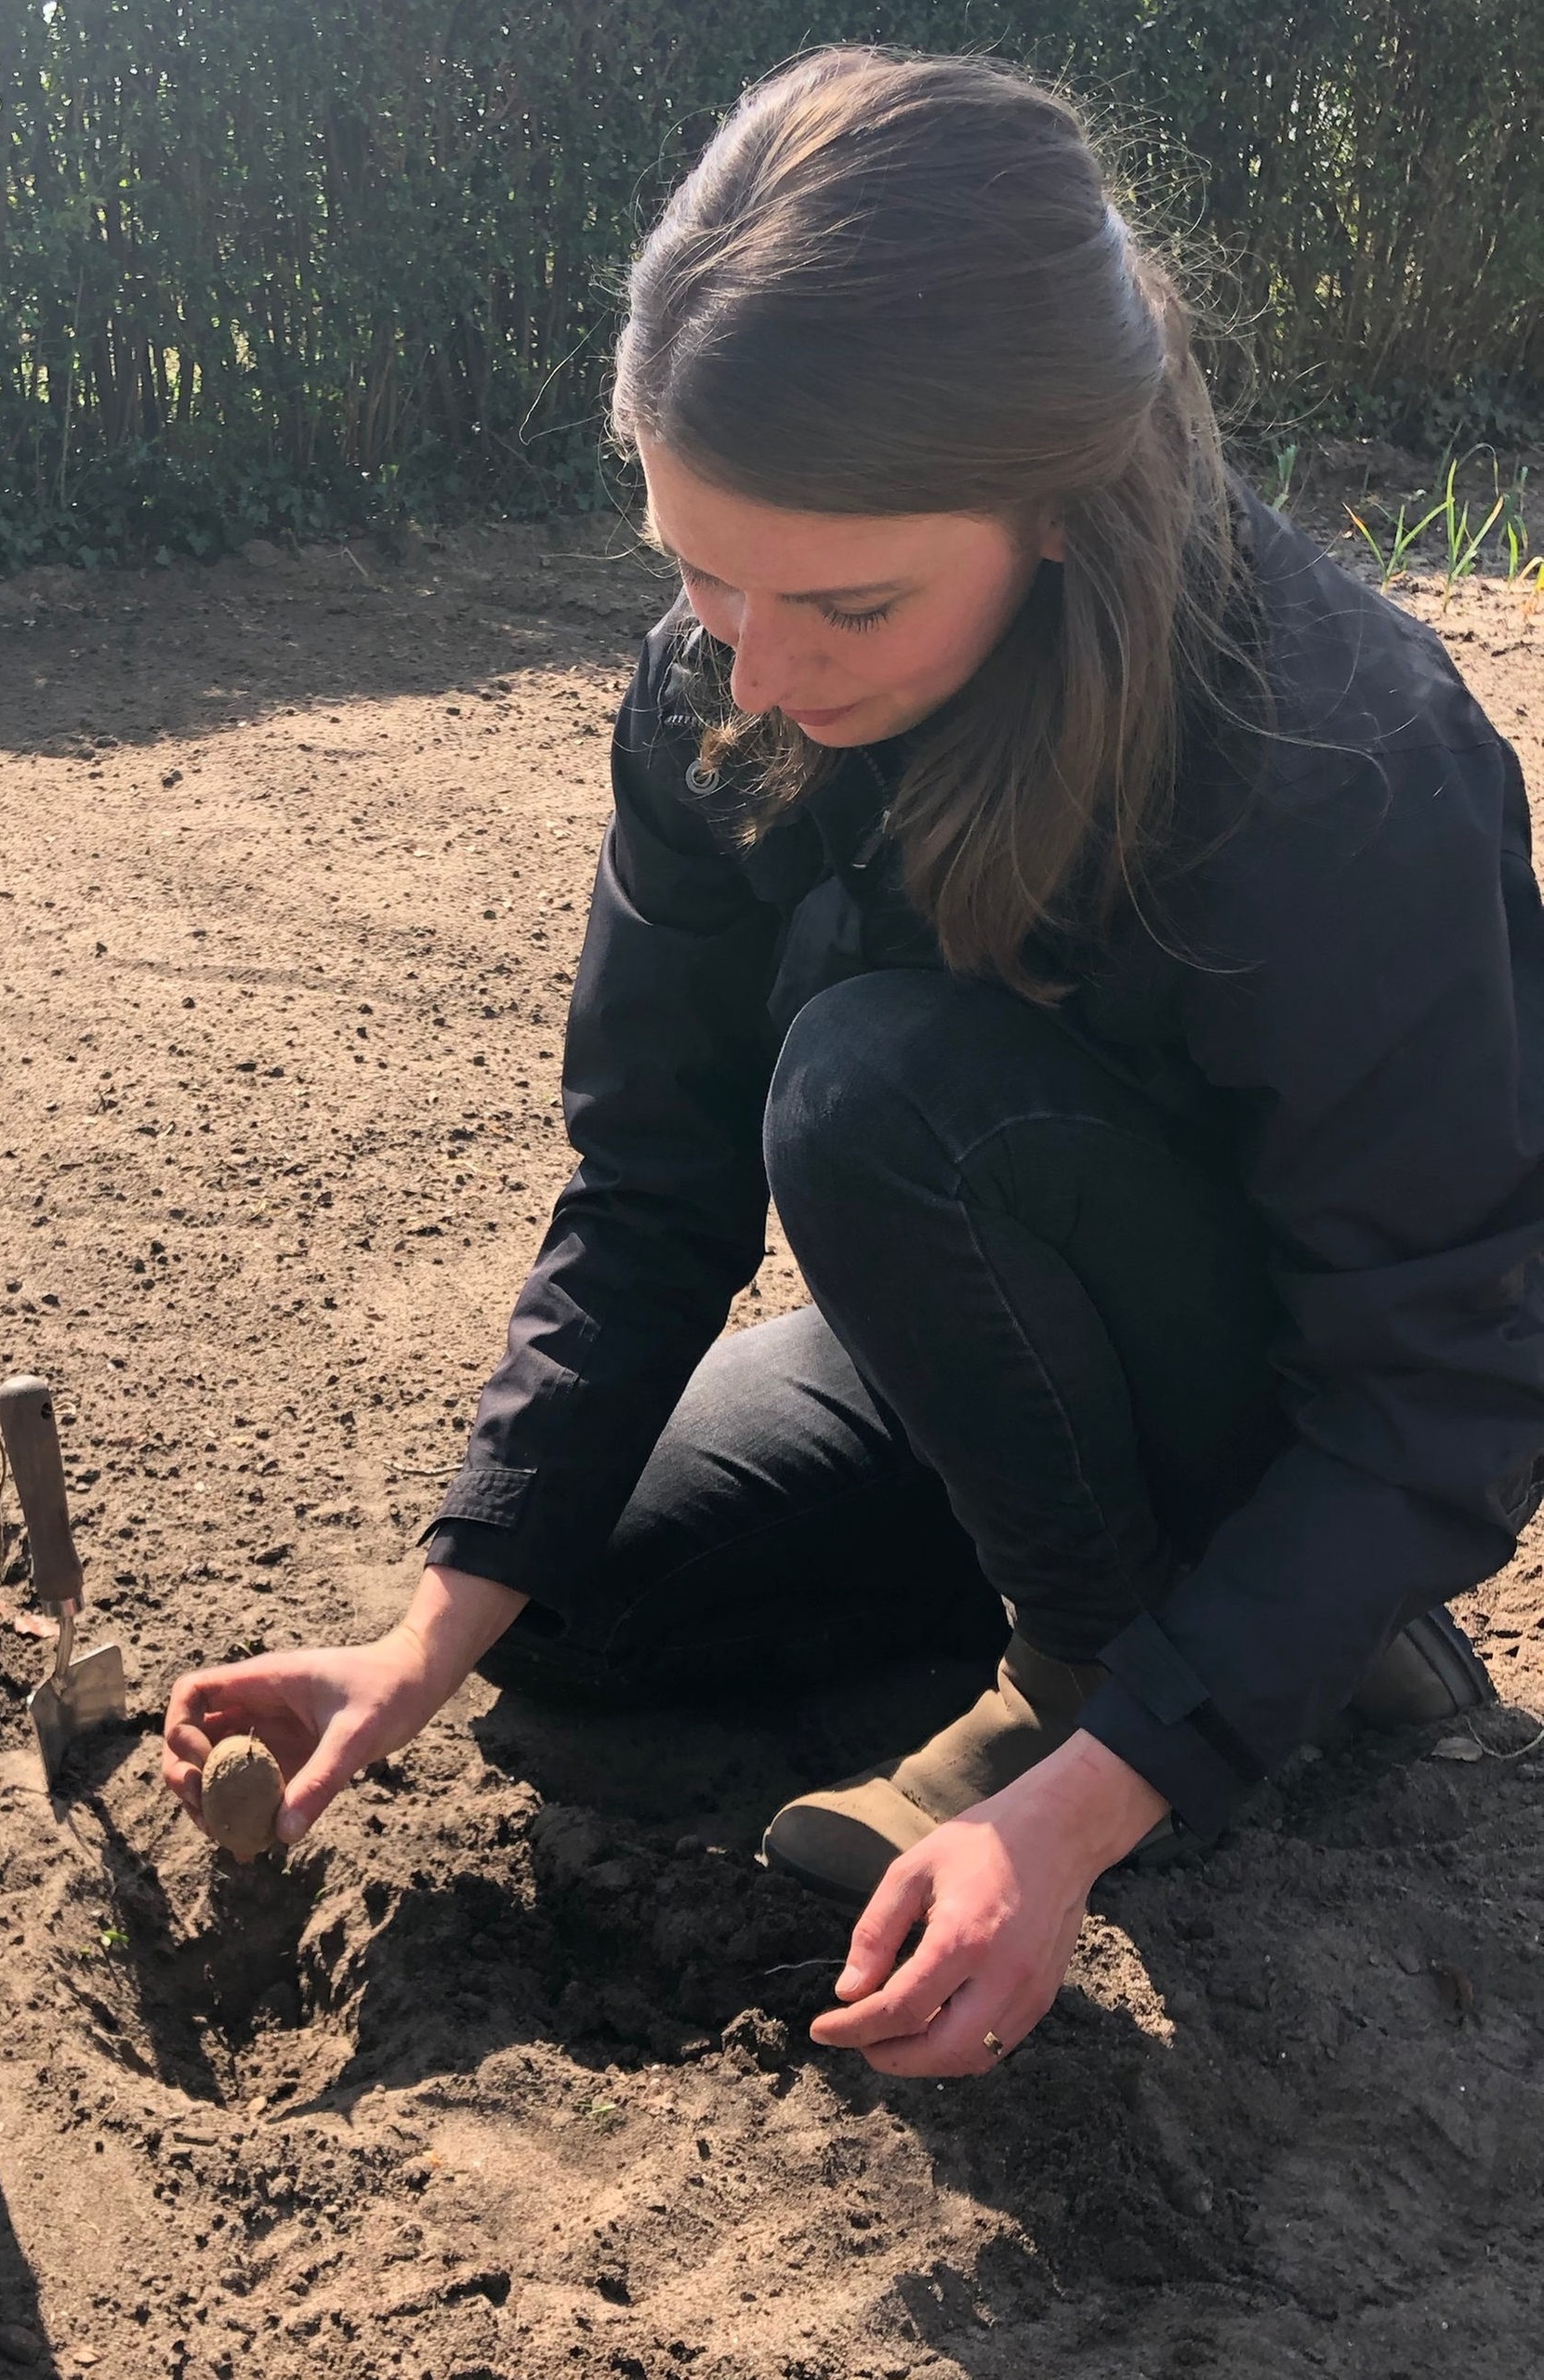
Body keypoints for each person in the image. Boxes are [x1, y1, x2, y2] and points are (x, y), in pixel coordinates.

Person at [162, 46, 1540, 2080]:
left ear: (1061, 504)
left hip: (1267, 1401)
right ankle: (1143, 1600)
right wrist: (422, 1629)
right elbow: (647, 1182)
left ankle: (1145, 1663)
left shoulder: (1334, 762)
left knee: (872, 1080)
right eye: (694, 568)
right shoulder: (723, 691)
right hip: (980, 1319)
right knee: (579, 1612)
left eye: (843, 599)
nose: (752, 668)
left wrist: (1082, 1796)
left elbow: (1450, 1383)